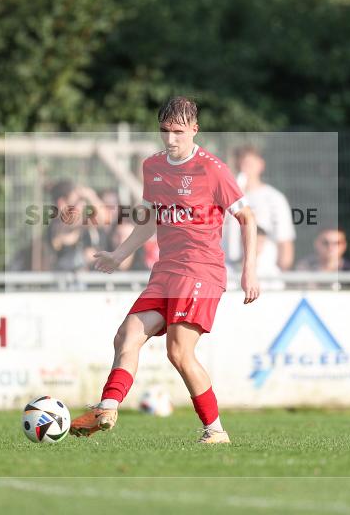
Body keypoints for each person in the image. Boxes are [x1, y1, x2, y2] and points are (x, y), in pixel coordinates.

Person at [70, 96, 260, 444]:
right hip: (165, 272)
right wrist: (119, 254)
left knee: (178, 352)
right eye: (164, 131)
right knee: (126, 336)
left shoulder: (212, 169)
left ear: (194, 130)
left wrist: (250, 271)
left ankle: (215, 431)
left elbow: (247, 218)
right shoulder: (153, 166)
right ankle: (107, 408)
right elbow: (149, 220)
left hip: (201, 271)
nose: (170, 139)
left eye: (178, 132)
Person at [223, 145, 295, 271]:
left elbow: (284, 240)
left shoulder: (274, 198)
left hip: (263, 273)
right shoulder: (223, 197)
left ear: (261, 165)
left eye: (248, 164)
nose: (243, 169)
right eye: (239, 164)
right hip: (229, 272)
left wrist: (281, 275)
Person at [45, 180, 104, 272]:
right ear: (62, 203)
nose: (83, 204)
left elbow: (104, 219)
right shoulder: (58, 226)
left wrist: (91, 196)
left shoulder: (82, 224)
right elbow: (102, 219)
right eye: (78, 201)